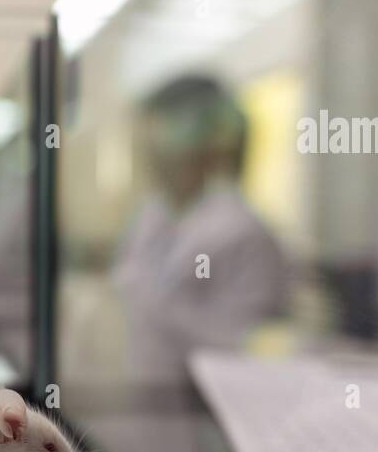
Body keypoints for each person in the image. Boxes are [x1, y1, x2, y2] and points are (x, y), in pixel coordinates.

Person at [113, 75, 289, 391]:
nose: (149, 157)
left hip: (210, 405)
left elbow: (244, 344)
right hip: (150, 396)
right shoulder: (155, 215)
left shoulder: (243, 233)